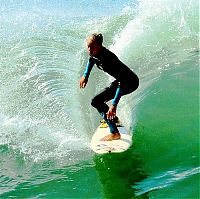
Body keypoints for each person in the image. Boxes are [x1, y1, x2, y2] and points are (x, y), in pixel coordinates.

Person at [80, 33, 139, 141]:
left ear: (99, 46)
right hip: (122, 80)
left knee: (96, 101)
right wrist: (85, 75)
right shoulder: (95, 53)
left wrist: (114, 105)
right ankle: (114, 120)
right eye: (88, 46)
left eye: (92, 47)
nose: (89, 49)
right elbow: (91, 59)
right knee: (97, 101)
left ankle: (115, 133)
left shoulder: (108, 59)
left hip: (130, 82)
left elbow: (122, 82)